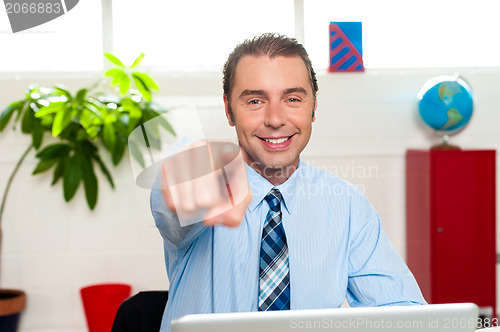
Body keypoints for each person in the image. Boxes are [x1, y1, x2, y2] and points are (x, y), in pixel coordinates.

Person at [150, 33, 426, 332]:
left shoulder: (347, 205)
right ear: (229, 110)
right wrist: (188, 175)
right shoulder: (208, 183)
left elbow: (402, 312)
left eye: (292, 99)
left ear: (313, 107)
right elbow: (174, 201)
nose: (275, 118)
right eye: (255, 101)